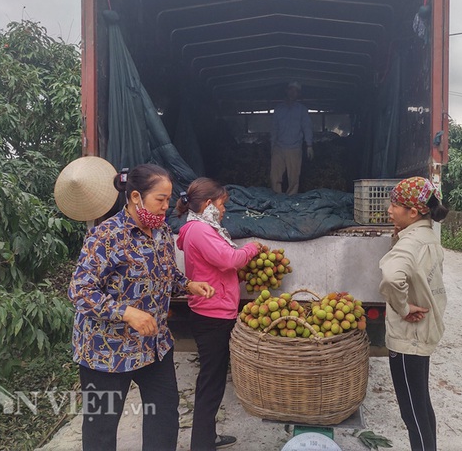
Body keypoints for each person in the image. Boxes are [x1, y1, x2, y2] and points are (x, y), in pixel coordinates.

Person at [67, 163, 215, 451]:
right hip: (106, 352)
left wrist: (188, 285)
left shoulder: (161, 233)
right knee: (101, 428)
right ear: (136, 197)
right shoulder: (106, 236)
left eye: (168, 199)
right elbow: (80, 290)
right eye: (160, 199)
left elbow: (166, 274)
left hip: (153, 345)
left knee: (164, 416)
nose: (166, 207)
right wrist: (125, 312)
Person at [175, 178, 262, 450]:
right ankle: (201, 443)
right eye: (222, 204)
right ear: (209, 204)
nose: (224, 211)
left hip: (214, 312)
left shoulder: (202, 229)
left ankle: (207, 436)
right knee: (211, 383)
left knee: (212, 380)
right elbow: (229, 259)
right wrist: (253, 248)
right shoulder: (200, 230)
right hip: (212, 316)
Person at [378, 176, 449, 451]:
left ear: (414, 211)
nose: (389, 210)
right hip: (422, 335)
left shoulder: (410, 243)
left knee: (412, 413)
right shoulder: (427, 236)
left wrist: (403, 308)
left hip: (409, 338)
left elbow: (391, 277)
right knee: (422, 407)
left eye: (395, 205)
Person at [270, 80, 314, 194]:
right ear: (287, 91)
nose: (293, 93)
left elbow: (307, 127)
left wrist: (309, 145)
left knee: (294, 177)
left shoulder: (302, 110)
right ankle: (276, 198)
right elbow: (274, 128)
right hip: (278, 147)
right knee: (275, 175)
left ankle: (292, 199)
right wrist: (272, 145)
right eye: (291, 90)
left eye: (296, 91)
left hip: (294, 148)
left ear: (298, 94)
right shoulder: (278, 109)